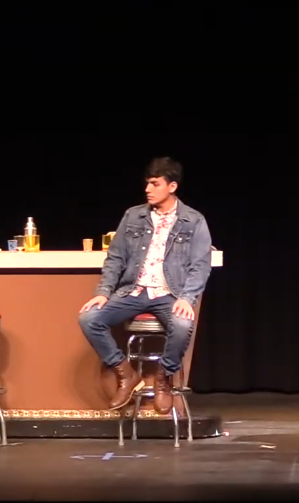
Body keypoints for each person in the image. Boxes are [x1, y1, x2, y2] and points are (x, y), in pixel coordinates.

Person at [78, 157, 213, 414]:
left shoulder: (193, 221)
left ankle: (164, 380)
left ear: (172, 186)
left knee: (183, 324)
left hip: (168, 294)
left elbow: (200, 265)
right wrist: (103, 292)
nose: (148, 189)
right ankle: (126, 374)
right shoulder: (133, 216)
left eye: (154, 184)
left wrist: (187, 297)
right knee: (89, 318)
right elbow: (115, 258)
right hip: (134, 290)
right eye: (147, 184)